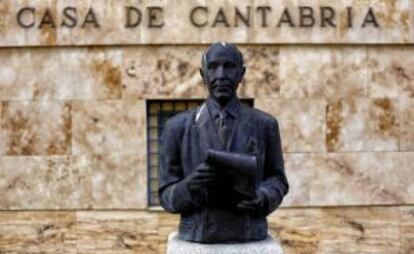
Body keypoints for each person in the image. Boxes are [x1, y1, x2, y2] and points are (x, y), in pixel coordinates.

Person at [158, 42, 289, 243]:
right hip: (198, 234)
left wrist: (262, 197)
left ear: (241, 73)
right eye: (213, 67)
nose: (220, 75)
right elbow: (166, 195)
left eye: (229, 67)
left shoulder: (265, 125)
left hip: (249, 232)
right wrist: (191, 185)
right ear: (203, 75)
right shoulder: (176, 127)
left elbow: (277, 180)